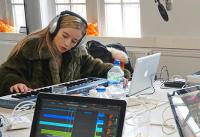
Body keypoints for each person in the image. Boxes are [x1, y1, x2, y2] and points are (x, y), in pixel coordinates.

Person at [0, 11, 130, 96]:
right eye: (65, 36)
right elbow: (6, 72)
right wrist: (15, 82)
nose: (67, 44)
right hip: (30, 107)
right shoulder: (33, 47)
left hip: (62, 106)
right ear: (54, 28)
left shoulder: (77, 51)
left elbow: (96, 67)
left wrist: (116, 73)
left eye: (74, 41)